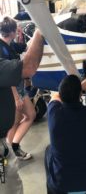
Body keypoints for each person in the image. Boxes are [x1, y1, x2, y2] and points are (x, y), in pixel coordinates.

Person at [0, 28, 44, 194]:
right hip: (15, 92)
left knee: (22, 118)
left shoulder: (9, 46)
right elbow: (29, 67)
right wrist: (40, 32)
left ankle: (13, 146)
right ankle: (13, 146)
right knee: (8, 186)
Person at [45, 75, 86, 194]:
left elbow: (55, 96)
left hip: (60, 187)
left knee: (48, 151)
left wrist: (80, 86)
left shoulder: (53, 112)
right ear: (79, 95)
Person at [0, 16, 35, 160]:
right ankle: (14, 147)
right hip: (12, 89)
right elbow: (7, 75)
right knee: (30, 115)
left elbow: (27, 47)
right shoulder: (1, 49)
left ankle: (9, 144)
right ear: (13, 31)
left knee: (18, 119)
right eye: (17, 29)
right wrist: (16, 98)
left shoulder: (11, 44)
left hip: (18, 86)